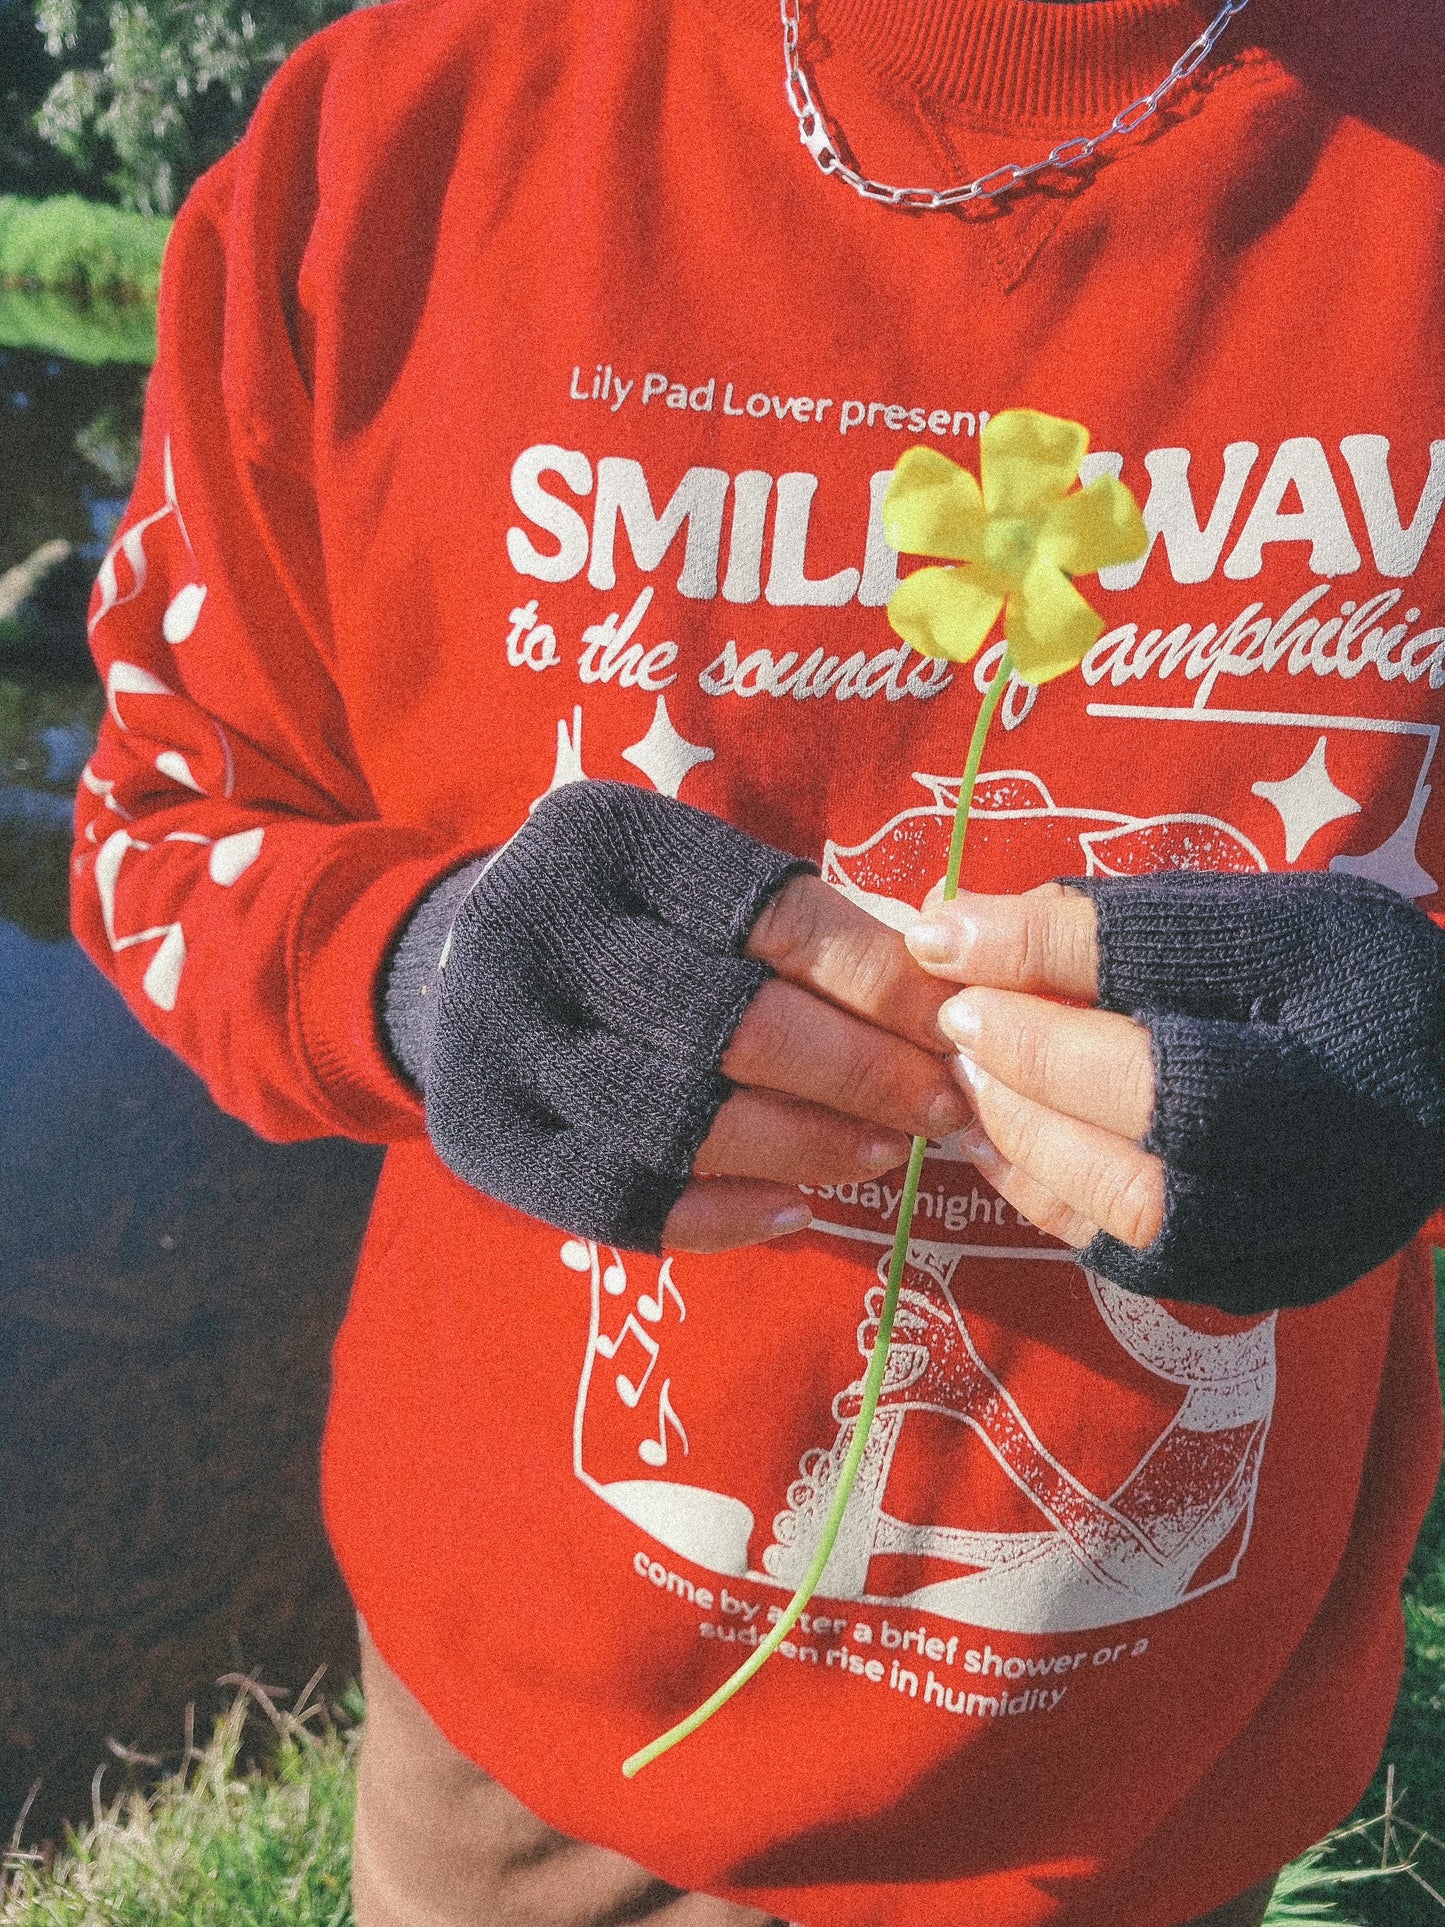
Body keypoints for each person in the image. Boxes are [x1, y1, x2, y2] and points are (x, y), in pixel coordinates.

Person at [71, 0, 1445, 1921]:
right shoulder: (389, 131)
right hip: (522, 1788)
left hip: (1142, 1816)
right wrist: (416, 969)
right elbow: (157, 822)